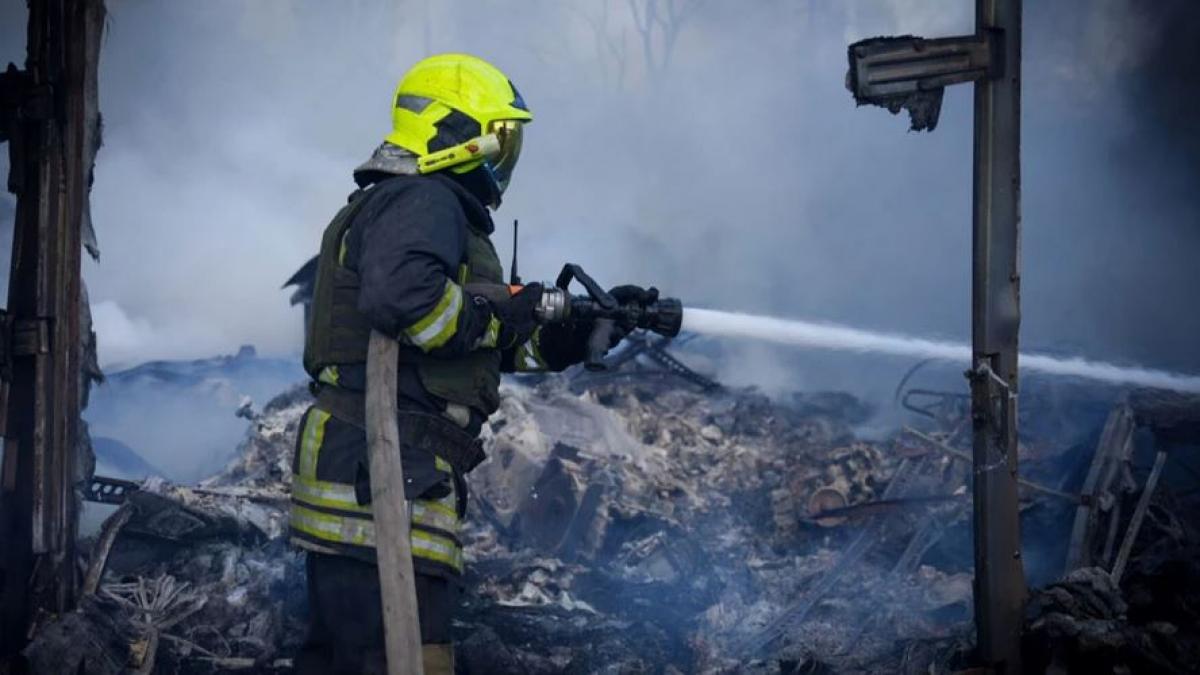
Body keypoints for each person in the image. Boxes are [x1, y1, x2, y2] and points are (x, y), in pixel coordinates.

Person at [290, 53, 656, 674]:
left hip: (384, 482)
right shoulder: (423, 199)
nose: (505, 157)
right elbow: (406, 300)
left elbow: (479, 343)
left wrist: (577, 330)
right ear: (459, 134)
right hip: (381, 481)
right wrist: (499, 315)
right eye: (501, 138)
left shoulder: (416, 207)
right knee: (404, 662)